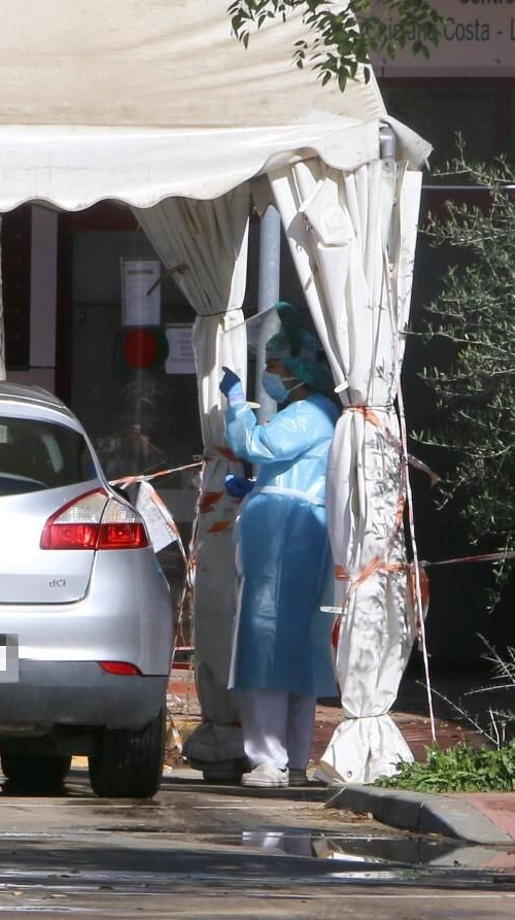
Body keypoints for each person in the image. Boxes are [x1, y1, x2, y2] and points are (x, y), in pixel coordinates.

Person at [217, 305, 340, 788]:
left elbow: (260, 446)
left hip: (284, 538)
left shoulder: (308, 413)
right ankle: (294, 759)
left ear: (294, 370)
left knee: (264, 642)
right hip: (296, 532)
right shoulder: (317, 415)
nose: (267, 376)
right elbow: (286, 466)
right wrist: (258, 489)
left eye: (272, 366)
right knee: (298, 649)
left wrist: (234, 404)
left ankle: (267, 758)